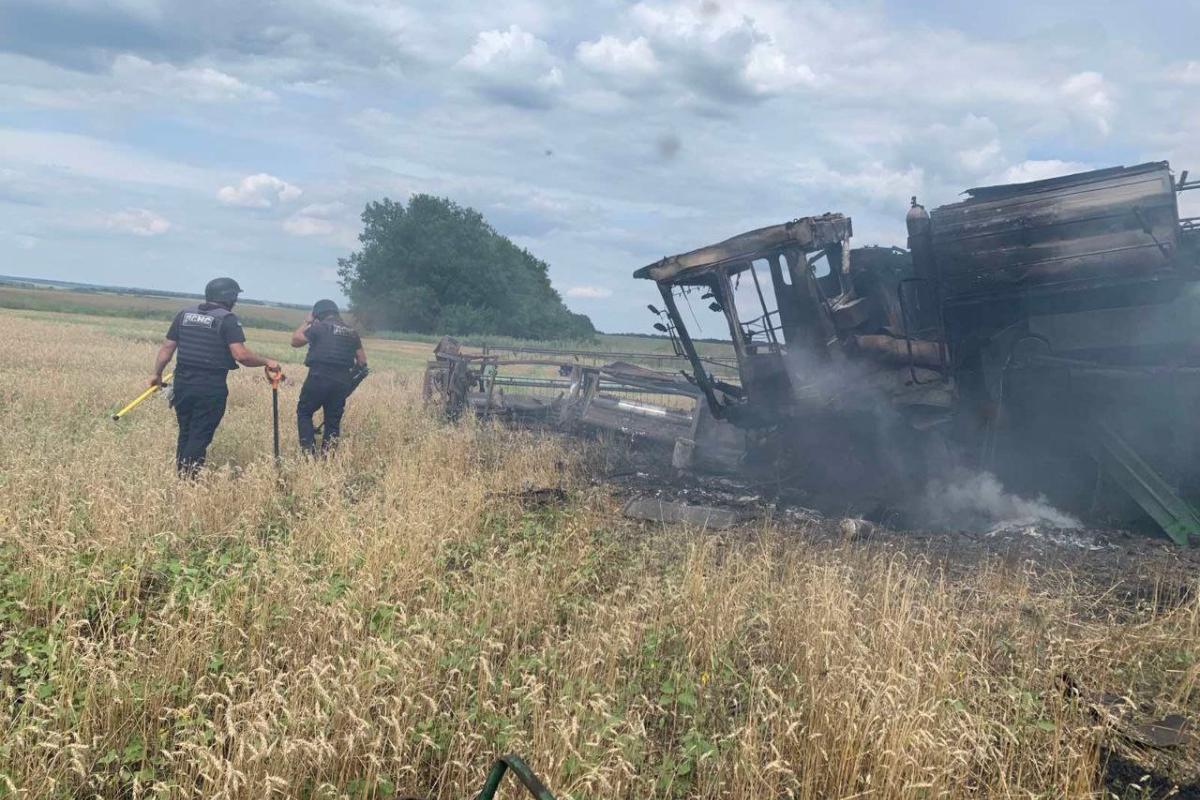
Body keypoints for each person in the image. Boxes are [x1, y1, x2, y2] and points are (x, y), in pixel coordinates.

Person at [150, 277, 280, 476]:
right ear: (230, 297)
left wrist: (156, 374)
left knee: (186, 431)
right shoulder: (227, 319)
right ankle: (188, 479)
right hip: (209, 385)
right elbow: (241, 355)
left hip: (182, 382)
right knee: (199, 434)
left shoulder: (184, 314)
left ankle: (181, 474)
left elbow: (167, 349)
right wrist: (267, 361)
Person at [291, 299, 367, 455]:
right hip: (342, 381)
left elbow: (296, 340)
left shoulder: (319, 327)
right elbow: (362, 361)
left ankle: (308, 455)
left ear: (318, 315)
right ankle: (328, 458)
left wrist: (307, 321)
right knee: (332, 421)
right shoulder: (352, 332)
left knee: (304, 412)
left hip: (318, 377)